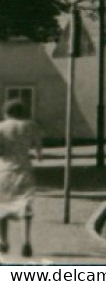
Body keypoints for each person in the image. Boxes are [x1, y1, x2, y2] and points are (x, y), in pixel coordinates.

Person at [0, 100, 44, 259]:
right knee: (25, 206)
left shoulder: (1, 127)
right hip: (25, 169)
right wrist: (37, 155)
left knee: (2, 206)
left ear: (6, 112)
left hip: (4, 170)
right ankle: (26, 240)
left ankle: (3, 241)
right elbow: (39, 152)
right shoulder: (31, 126)